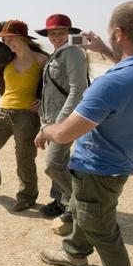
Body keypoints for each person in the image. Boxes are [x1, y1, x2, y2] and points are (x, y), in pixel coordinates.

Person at [35, 1, 133, 266]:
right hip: (119, 163)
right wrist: (104, 50)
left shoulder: (109, 84)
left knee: (102, 229)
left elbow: (67, 132)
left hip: (98, 167)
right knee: (85, 209)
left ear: (118, 32)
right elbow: (126, 65)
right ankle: (75, 254)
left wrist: (45, 131)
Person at [0, 20, 48, 212]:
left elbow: (53, 85)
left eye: (11, 38)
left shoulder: (43, 59)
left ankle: (27, 196)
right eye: (4, 39)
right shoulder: (5, 55)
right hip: (2, 112)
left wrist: (42, 99)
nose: (7, 43)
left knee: (25, 158)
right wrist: (7, 23)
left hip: (27, 116)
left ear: (22, 37)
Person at [35, 14, 89, 235]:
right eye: (52, 33)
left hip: (63, 121)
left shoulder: (74, 53)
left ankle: (79, 207)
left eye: (61, 32)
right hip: (51, 118)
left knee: (53, 165)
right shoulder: (56, 54)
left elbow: (78, 90)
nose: (56, 36)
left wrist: (59, 124)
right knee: (62, 162)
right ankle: (61, 203)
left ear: (69, 33)